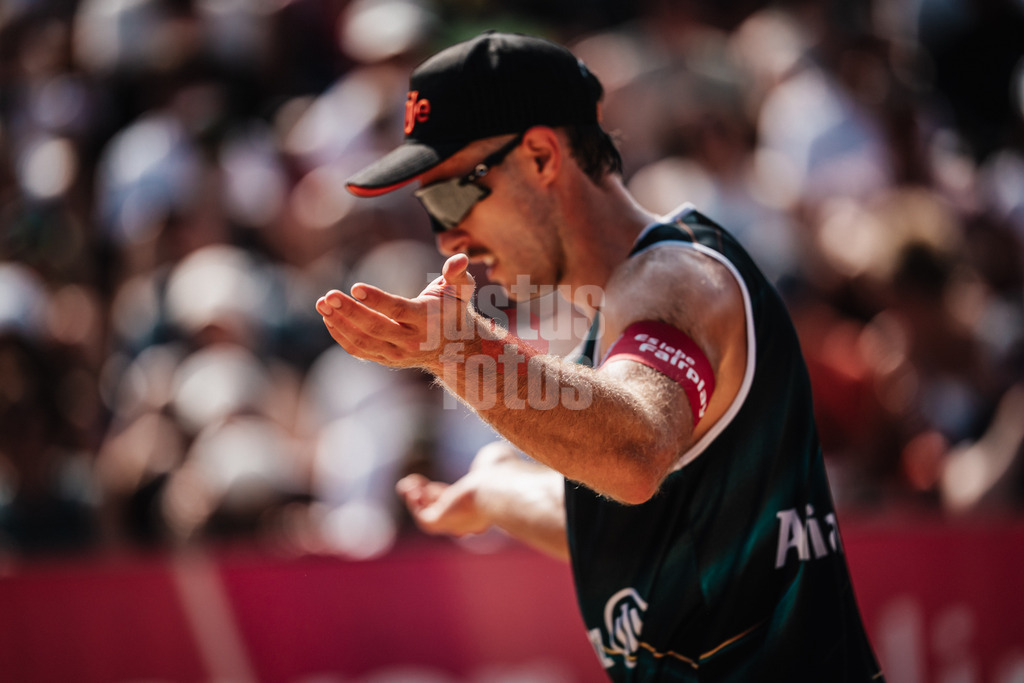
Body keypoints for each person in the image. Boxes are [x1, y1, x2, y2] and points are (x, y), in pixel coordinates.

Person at [315, 30, 884, 682]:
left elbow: (633, 452)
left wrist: (457, 352)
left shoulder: (671, 278)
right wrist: (499, 488)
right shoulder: (627, 298)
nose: (447, 236)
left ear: (540, 156)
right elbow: (640, 521)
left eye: (453, 194)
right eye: (429, 206)